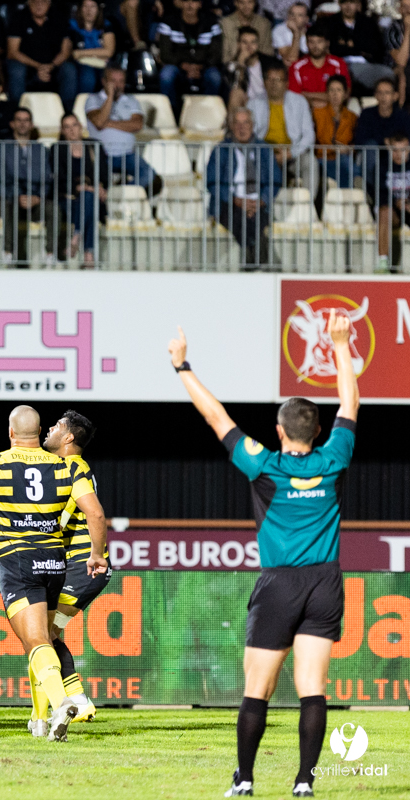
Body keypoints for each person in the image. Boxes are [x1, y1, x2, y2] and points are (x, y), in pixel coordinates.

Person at [166, 314, 358, 800]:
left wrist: (182, 366)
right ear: (318, 431)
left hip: (278, 585)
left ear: (278, 430)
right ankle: (303, 782)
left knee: (258, 690)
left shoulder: (264, 464)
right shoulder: (335, 458)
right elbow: (351, 402)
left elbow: (217, 418)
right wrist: (340, 344)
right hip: (325, 583)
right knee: (312, 687)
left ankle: (245, 779)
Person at [0, 405, 107, 742]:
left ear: (11, 433)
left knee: (37, 641)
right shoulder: (64, 466)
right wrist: (97, 554)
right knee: (41, 639)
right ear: (38, 430)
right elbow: (95, 514)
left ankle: (62, 704)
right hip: (56, 562)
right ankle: (39, 720)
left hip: (18, 560)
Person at [42, 410, 109, 723]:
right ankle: (74, 701)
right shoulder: (71, 466)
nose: (50, 429)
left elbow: (63, 519)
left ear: (68, 437)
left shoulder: (71, 466)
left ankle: (76, 702)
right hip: (77, 567)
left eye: (56, 426)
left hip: (83, 568)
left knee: (44, 633)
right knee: (46, 633)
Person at [206, 106, 276, 267]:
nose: (241, 127)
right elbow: (212, 183)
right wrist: (236, 201)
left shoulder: (264, 149)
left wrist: (261, 201)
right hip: (228, 204)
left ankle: (250, 264)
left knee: (256, 219)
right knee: (244, 221)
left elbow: (275, 181)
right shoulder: (221, 150)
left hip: (258, 204)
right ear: (231, 126)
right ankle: (259, 264)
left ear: (252, 125)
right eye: (237, 123)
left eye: (245, 123)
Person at [85, 66, 160, 196]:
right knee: (95, 178)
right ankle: (114, 196)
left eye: (121, 81)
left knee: (148, 174)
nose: (117, 85)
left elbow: (137, 125)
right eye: (113, 81)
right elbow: (98, 122)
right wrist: (110, 98)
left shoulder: (131, 100)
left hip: (127, 154)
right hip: (102, 156)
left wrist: (107, 123)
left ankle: (118, 195)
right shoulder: (93, 99)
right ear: (104, 82)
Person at [0, 105, 49, 266]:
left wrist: (37, 198)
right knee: (10, 207)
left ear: (32, 124)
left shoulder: (42, 151)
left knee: (54, 209)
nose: (23, 124)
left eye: (26, 121)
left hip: (36, 201)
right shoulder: (1, 149)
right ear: (12, 124)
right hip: (10, 199)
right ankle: (9, 253)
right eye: (19, 120)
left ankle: (51, 255)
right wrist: (17, 195)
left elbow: (47, 179)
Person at [248, 62, 315, 194]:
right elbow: (250, 136)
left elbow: (309, 135)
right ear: (264, 82)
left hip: (292, 154)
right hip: (264, 154)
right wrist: (269, 153)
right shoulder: (253, 103)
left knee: (311, 163)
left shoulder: (299, 102)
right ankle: (262, 207)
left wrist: (290, 153)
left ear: (286, 83)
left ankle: (308, 207)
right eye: (270, 79)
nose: (274, 84)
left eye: (278, 80)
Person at [51, 113, 107, 266]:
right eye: (67, 127)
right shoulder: (58, 149)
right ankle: (89, 254)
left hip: (91, 197)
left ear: (80, 126)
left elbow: (104, 175)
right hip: (68, 200)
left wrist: (100, 187)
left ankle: (76, 236)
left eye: (74, 125)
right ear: (62, 131)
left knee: (88, 199)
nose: (71, 130)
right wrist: (78, 187)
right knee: (89, 202)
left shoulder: (94, 146)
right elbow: (58, 180)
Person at [156, 0, 222, 117]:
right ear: (181, 3)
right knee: (166, 75)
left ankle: (209, 114)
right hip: (178, 67)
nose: (190, 5)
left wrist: (200, 67)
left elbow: (216, 54)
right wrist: (184, 66)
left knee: (215, 77)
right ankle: (170, 114)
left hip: (203, 67)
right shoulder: (169, 22)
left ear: (200, 4)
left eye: (194, 1)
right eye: (186, 1)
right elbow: (165, 54)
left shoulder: (211, 22)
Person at [6, 0, 75, 111]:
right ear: (28, 2)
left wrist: (50, 66)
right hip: (27, 67)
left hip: (53, 67)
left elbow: (65, 51)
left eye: (43, 1)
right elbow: (12, 52)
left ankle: (68, 113)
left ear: (49, 3)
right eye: (35, 2)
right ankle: (17, 112)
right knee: (16, 70)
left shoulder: (58, 17)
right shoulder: (18, 17)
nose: (39, 5)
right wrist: (39, 67)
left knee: (69, 69)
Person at [320, 0, 392, 96]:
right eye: (344, 2)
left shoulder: (368, 22)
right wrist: (359, 49)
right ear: (339, 4)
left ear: (358, 4)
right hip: (337, 64)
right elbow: (331, 48)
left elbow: (376, 49)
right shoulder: (330, 22)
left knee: (388, 74)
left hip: (365, 65)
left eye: (352, 2)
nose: (348, 6)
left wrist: (347, 45)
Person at [353, 78, 410, 197]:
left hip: (398, 157)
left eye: (387, 93)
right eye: (380, 92)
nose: (383, 97)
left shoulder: (402, 115)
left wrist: (392, 145)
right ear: (375, 95)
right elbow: (359, 140)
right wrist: (384, 142)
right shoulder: (367, 114)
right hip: (376, 158)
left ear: (395, 96)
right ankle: (374, 193)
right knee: (370, 147)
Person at [289, 25, 350, 109]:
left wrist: (308, 95)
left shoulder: (339, 64)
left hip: (333, 114)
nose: (315, 46)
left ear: (327, 43)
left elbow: (345, 95)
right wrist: (327, 98)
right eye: (311, 42)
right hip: (306, 113)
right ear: (306, 44)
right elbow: (295, 98)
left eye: (319, 42)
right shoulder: (297, 67)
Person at [314, 75, 357, 192]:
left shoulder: (352, 117)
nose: (335, 94)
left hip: (342, 158)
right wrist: (335, 147)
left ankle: (356, 186)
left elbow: (355, 143)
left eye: (339, 90)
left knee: (345, 162)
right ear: (327, 93)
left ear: (345, 94)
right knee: (344, 166)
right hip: (321, 158)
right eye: (331, 90)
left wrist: (348, 149)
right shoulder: (317, 114)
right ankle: (355, 186)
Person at [227, 26, 280, 113]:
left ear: (257, 44)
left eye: (253, 42)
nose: (249, 46)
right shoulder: (231, 66)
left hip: (267, 101)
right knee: (235, 94)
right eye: (245, 42)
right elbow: (234, 88)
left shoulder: (269, 62)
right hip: (245, 104)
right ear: (238, 44)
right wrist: (241, 64)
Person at [377, 132, 410, 269]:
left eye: (402, 150)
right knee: (384, 213)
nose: (398, 154)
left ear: (408, 150)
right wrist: (396, 202)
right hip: (394, 210)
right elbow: (380, 193)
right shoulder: (383, 166)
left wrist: (408, 202)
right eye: (395, 150)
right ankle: (383, 263)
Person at [69, 0, 115, 96]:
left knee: (112, 76)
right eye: (85, 6)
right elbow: (72, 53)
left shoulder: (106, 25)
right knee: (88, 77)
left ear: (98, 9)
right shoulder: (72, 26)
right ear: (80, 9)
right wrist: (99, 52)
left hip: (103, 64)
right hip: (81, 64)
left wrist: (82, 53)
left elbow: (109, 52)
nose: (89, 10)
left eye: (93, 7)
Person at [221, 0, 272, 65]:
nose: (246, 6)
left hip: (259, 64)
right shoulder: (226, 23)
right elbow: (226, 54)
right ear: (236, 3)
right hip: (233, 64)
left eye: (250, 2)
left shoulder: (264, 23)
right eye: (242, 3)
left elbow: (267, 52)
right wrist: (239, 61)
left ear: (255, 3)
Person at [273, 2, 308, 67]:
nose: (294, 18)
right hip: (285, 67)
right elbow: (291, 59)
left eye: (300, 15)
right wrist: (296, 33)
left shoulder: (311, 31)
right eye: (292, 14)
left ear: (306, 19)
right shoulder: (279, 30)